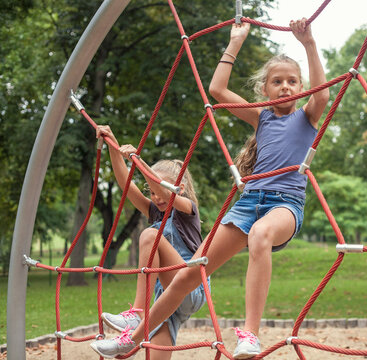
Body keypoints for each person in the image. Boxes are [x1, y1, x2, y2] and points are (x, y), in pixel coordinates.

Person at [90, 17, 329, 359]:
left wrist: (307, 42)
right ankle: (134, 337)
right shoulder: (261, 117)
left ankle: (250, 333)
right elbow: (217, 91)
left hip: (284, 205)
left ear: (301, 86)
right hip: (249, 202)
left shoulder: (306, 117)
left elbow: (323, 94)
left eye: (293, 81)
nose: (286, 87)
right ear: (265, 89)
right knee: (191, 272)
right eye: (277, 82)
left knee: (261, 234)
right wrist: (235, 41)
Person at [90, 125, 208, 360]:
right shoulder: (155, 211)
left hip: (191, 286)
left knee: (149, 236)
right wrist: (114, 146)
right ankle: (142, 316)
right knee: (156, 350)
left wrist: (138, 162)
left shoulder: (187, 210)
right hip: (166, 297)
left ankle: (138, 312)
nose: (154, 197)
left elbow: (165, 193)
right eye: (151, 193)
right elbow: (126, 185)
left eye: (158, 191)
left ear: (179, 188)